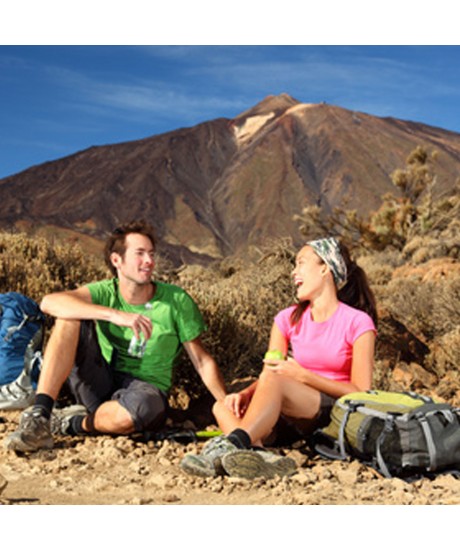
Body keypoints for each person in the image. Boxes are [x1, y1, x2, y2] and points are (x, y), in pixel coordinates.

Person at [4, 220, 227, 453]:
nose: (149, 261)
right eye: (140, 254)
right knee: (69, 316)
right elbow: (49, 302)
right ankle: (40, 416)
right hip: (101, 380)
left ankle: (72, 423)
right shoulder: (106, 291)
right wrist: (115, 315)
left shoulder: (175, 301)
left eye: (151, 254)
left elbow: (202, 361)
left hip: (145, 391)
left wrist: (225, 402)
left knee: (139, 410)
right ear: (116, 260)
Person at [180, 236, 377, 479]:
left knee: (278, 380)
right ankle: (260, 457)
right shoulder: (286, 319)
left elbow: (360, 391)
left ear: (325, 267)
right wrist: (244, 395)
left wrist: (304, 376)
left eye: (301, 263)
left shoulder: (358, 322)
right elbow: (270, 372)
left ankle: (233, 445)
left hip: (329, 412)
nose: (294, 272)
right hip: (285, 410)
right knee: (222, 406)